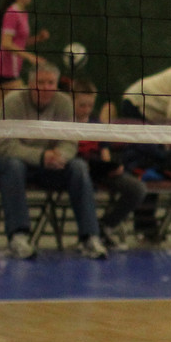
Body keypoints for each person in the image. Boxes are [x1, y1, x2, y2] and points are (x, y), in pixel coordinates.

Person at [0, 60, 109, 260]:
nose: (46, 87)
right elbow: (5, 145)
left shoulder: (64, 103)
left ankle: (90, 238)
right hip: (0, 159)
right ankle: (18, 238)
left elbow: (70, 142)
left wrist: (60, 155)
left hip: (43, 164)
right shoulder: (13, 102)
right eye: (41, 82)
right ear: (30, 84)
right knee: (14, 166)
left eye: (50, 83)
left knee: (78, 167)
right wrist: (41, 156)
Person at [69, 78, 147, 250]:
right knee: (84, 180)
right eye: (82, 105)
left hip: (98, 170)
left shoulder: (96, 123)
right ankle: (89, 235)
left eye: (90, 105)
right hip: (78, 172)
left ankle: (104, 226)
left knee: (137, 188)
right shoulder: (63, 124)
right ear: (71, 101)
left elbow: (104, 152)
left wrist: (110, 168)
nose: (86, 109)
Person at [0, 0, 48, 116]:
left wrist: (38, 38)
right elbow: (6, 43)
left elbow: (20, 43)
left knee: (0, 109)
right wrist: (31, 57)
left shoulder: (23, 13)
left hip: (13, 69)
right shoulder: (12, 13)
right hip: (5, 68)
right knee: (23, 103)